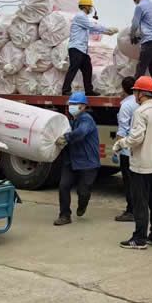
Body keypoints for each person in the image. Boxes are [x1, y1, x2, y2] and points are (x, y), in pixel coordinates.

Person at [112, 76, 152, 250]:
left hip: (142, 165)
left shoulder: (141, 112)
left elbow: (136, 138)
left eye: (136, 91)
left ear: (141, 93)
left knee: (140, 202)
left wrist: (120, 144)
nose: (134, 95)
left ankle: (139, 239)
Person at [53, 92, 100, 226]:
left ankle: (82, 205)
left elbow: (81, 132)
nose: (71, 107)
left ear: (83, 106)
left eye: (75, 104)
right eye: (70, 104)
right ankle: (64, 215)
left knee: (83, 191)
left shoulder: (86, 119)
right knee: (63, 186)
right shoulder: (71, 121)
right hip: (71, 160)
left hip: (87, 162)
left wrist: (66, 138)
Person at [61, 0, 118, 96]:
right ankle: (65, 90)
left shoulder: (84, 18)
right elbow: (91, 26)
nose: (91, 9)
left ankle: (88, 90)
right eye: (90, 7)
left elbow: (92, 29)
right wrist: (107, 30)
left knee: (87, 68)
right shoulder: (80, 16)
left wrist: (106, 32)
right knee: (74, 67)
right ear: (86, 7)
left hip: (82, 49)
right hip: (76, 48)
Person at [114, 76, 139, 222]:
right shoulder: (140, 103)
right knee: (138, 181)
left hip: (127, 150)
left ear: (123, 89)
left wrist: (117, 148)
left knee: (129, 182)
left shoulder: (126, 105)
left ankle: (131, 211)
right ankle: (139, 208)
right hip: (138, 149)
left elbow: (122, 130)